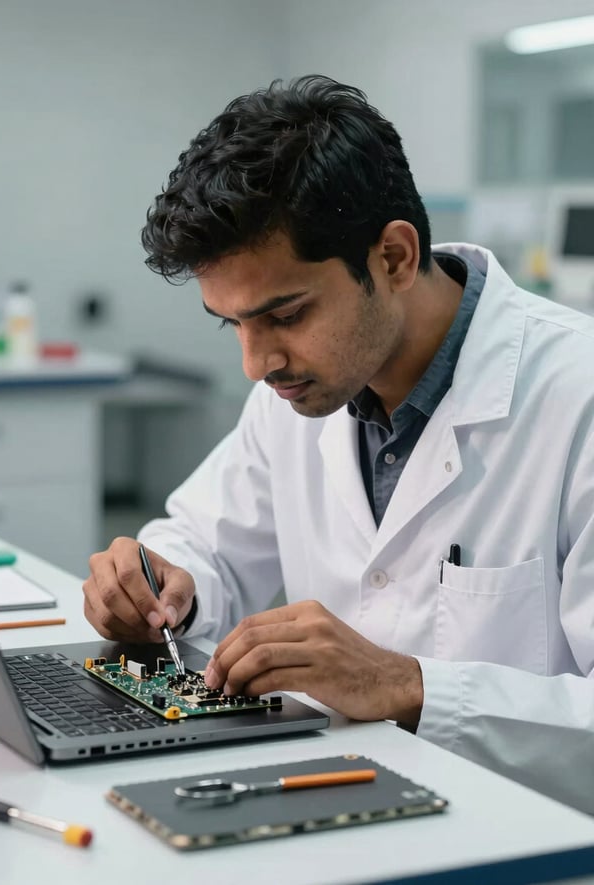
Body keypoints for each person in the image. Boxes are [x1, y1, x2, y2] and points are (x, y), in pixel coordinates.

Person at [83, 75, 594, 814]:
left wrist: (411, 686)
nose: (257, 364)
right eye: (234, 325)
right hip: (349, 804)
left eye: (283, 314)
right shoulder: (297, 392)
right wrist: (163, 583)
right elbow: (206, 544)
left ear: (393, 257)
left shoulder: (576, 399)